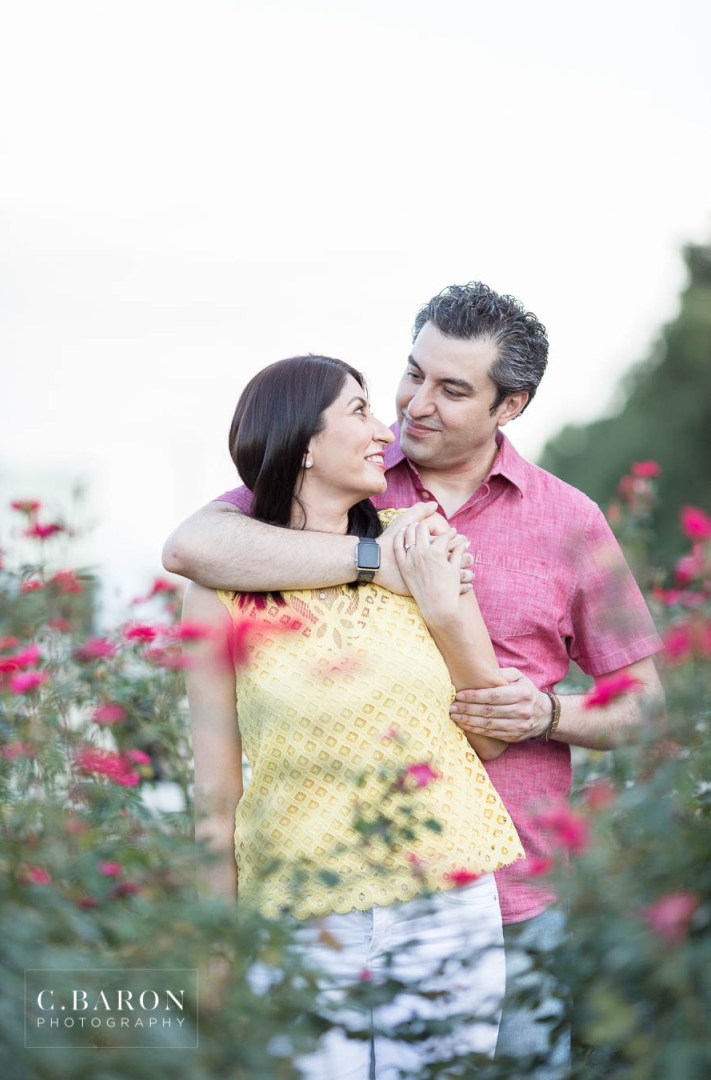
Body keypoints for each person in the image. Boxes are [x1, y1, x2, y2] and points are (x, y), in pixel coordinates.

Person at [164, 283, 665, 1077]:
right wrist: (376, 564)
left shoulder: (570, 522)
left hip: (513, 894)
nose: (413, 405)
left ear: (512, 406)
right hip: (332, 890)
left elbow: (643, 707)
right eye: (412, 372)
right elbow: (196, 547)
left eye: (452, 389)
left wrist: (544, 713)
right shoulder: (356, 477)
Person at [182, 354, 524, 1078]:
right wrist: (214, 944)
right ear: (305, 442)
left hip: (444, 901)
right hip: (300, 912)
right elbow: (215, 799)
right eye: (359, 411)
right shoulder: (219, 589)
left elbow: (490, 735)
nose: (385, 427)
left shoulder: (424, 543)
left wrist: (443, 610)